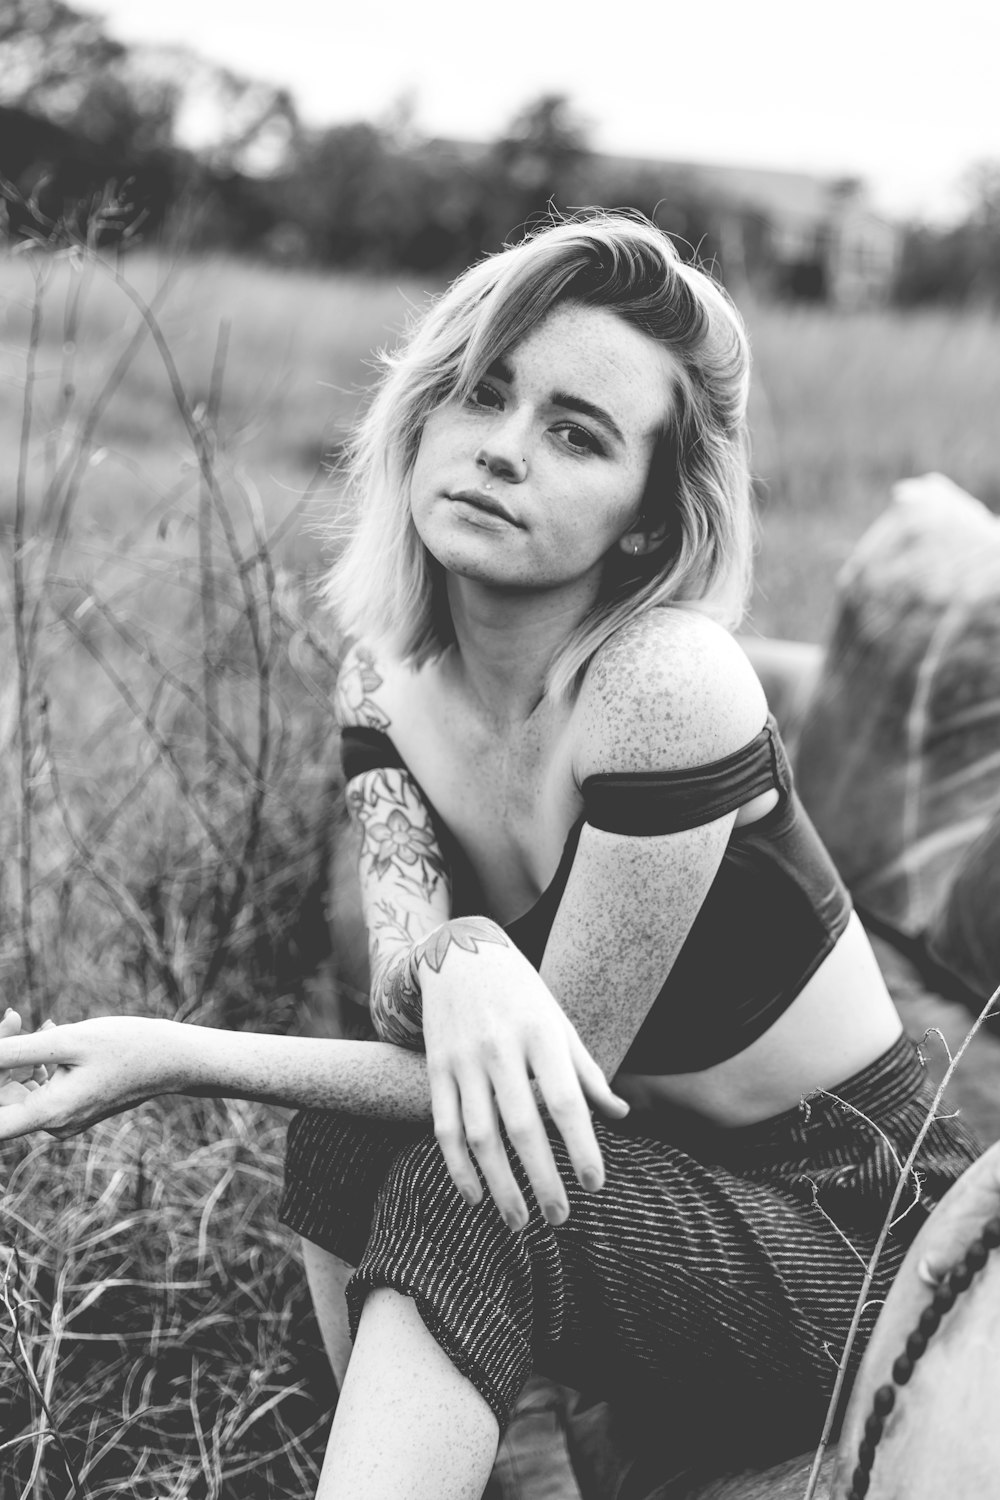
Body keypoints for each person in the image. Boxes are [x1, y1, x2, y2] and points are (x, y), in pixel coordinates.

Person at [0, 212, 987, 1500]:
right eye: (482, 394)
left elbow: (537, 1103)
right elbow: (420, 999)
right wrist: (461, 954)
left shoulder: (661, 685)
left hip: (846, 1236)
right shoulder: (385, 685)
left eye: (577, 434)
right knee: (345, 1138)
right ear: (425, 415)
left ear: (646, 518)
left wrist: (168, 1054)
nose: (502, 452)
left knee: (478, 1189)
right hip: (652, 1195)